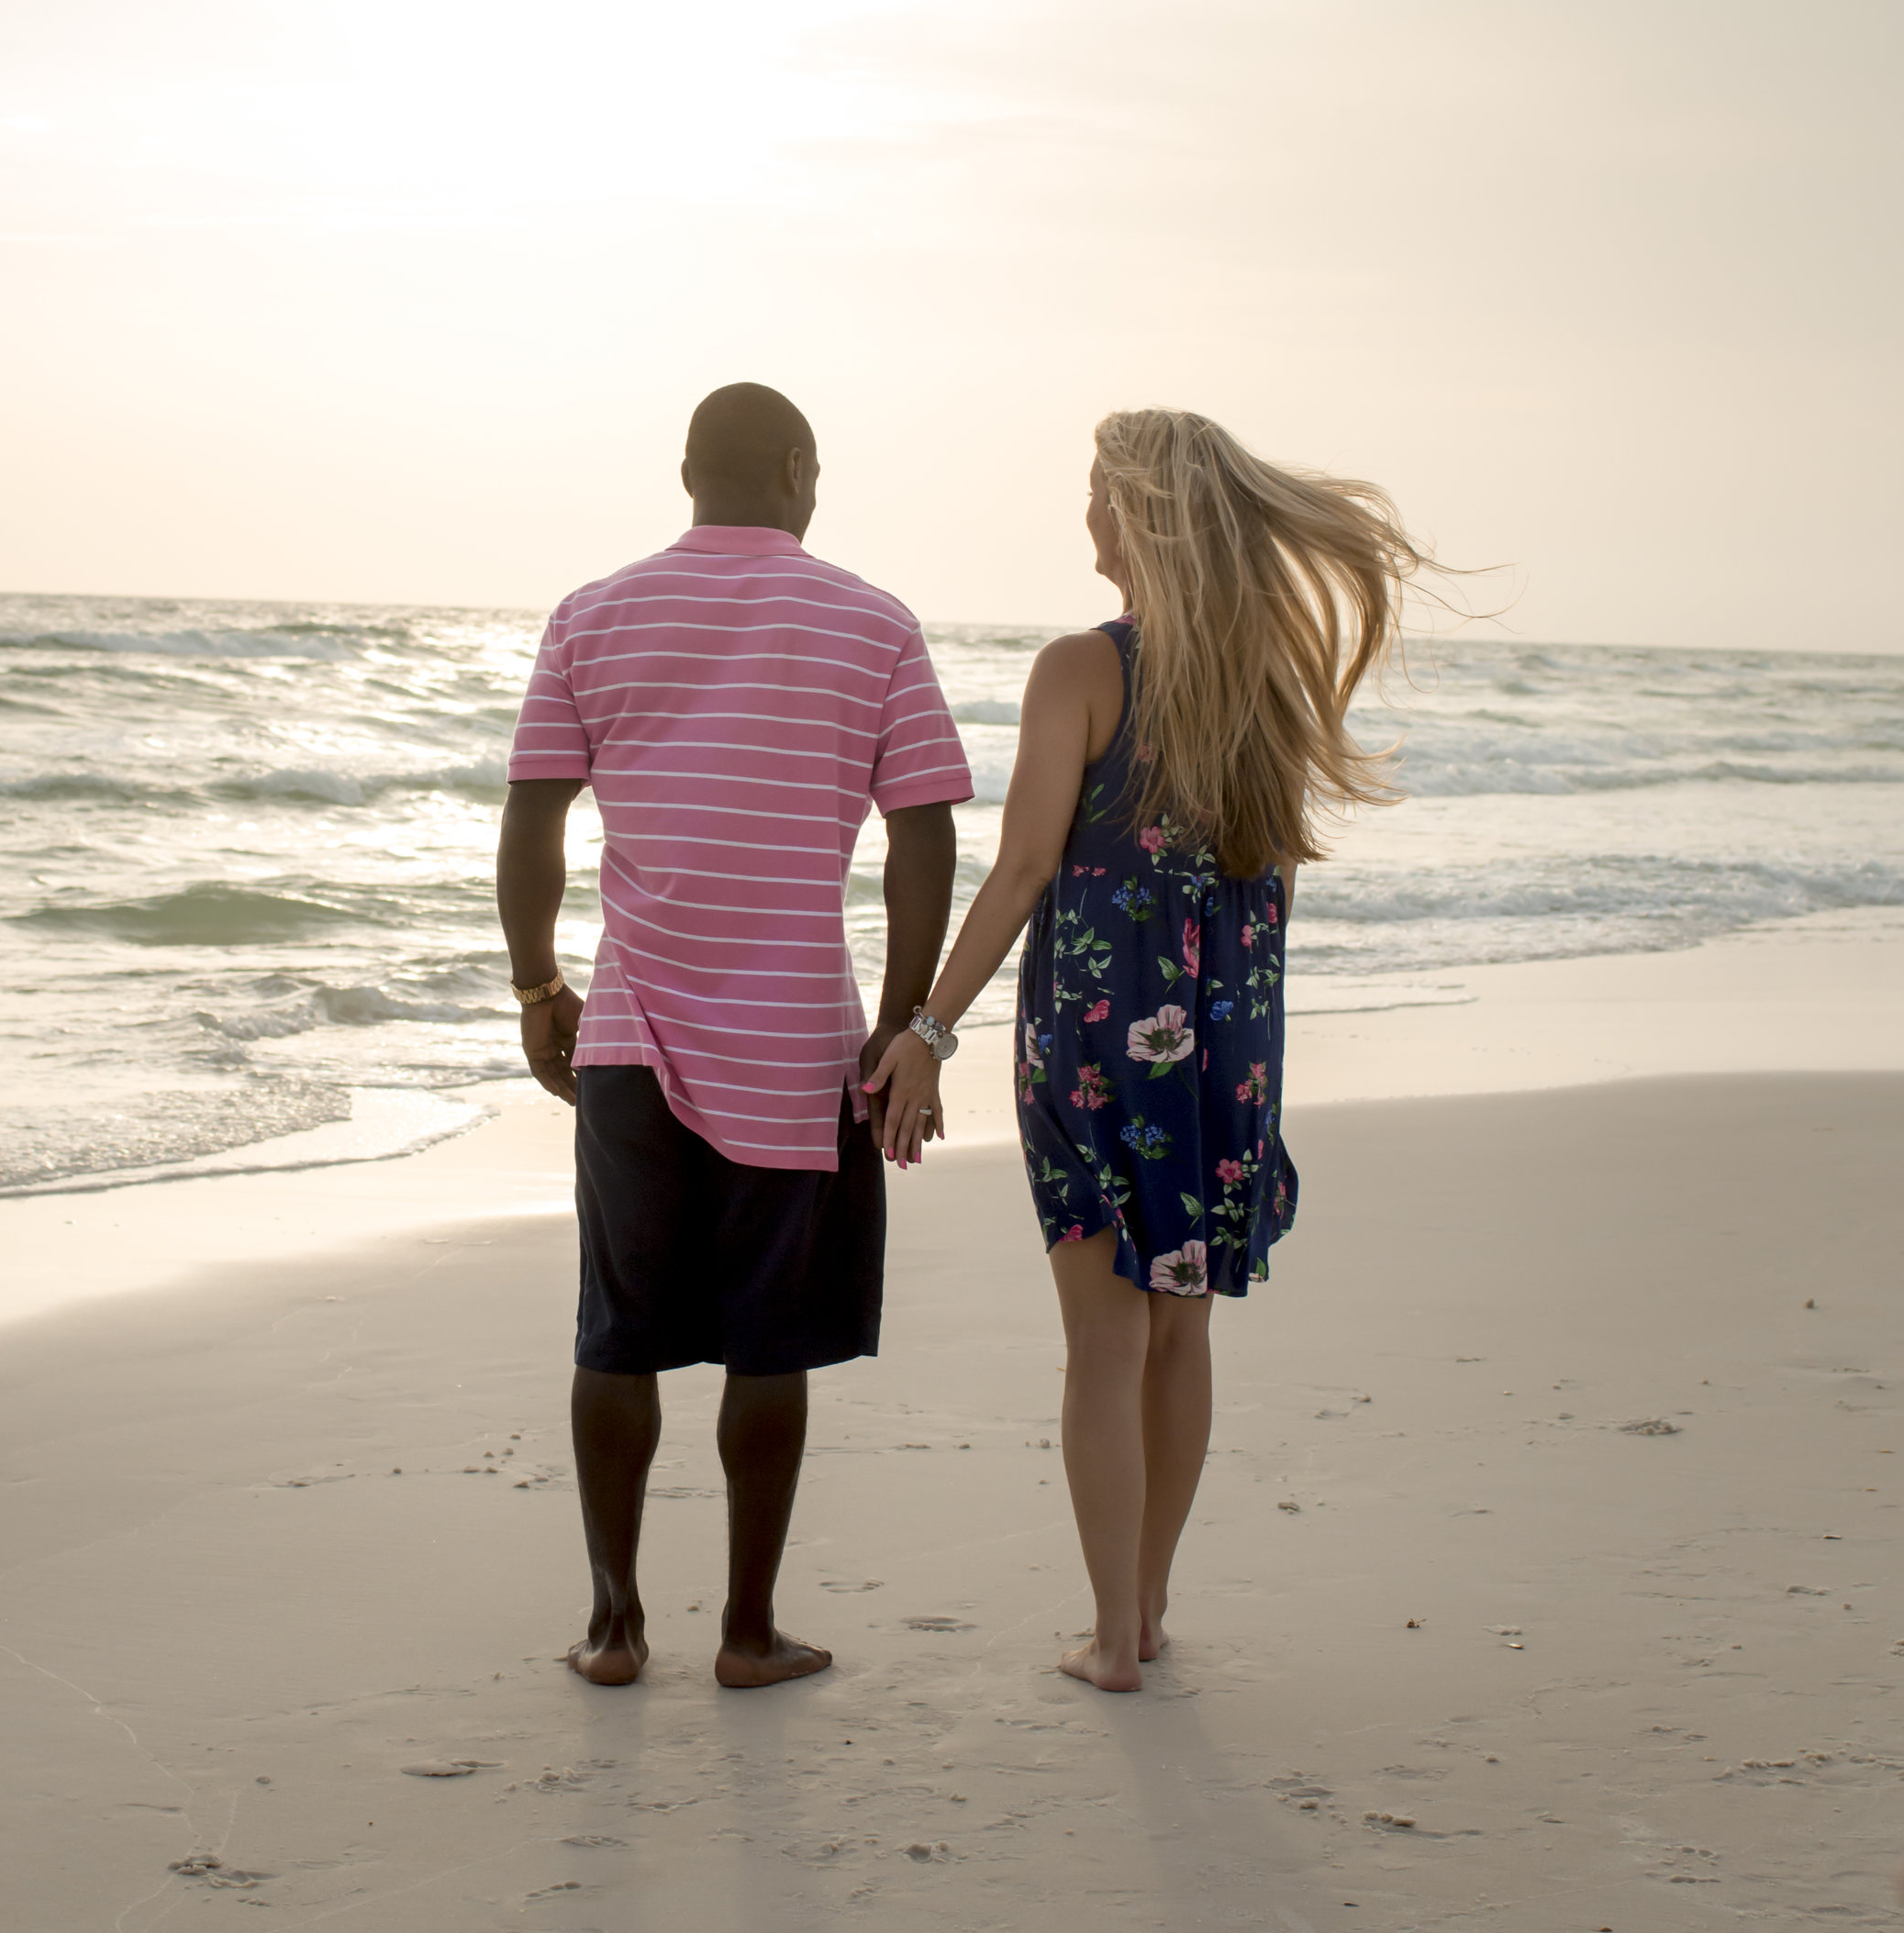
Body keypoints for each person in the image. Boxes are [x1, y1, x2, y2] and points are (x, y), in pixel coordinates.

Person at [865, 407, 1428, 1690]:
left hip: (1098, 1045)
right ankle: (1151, 1611)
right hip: (1228, 1050)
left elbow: (1020, 872)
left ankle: (1112, 1637)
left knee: (1102, 1349)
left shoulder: (1081, 669)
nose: (1086, 520)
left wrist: (927, 1031)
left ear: (1141, 518)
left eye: (1098, 497)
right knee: (1181, 1336)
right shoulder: (1265, 686)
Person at [495, 383, 971, 1690]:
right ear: (798, 472)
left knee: (617, 1332)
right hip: (792, 1044)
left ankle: (613, 1625)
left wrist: (539, 987)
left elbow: (535, 817)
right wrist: (903, 1020)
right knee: (769, 1344)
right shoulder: (871, 621)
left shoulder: (591, 614)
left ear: (689, 472)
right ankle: (749, 1633)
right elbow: (922, 830)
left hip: (632, 1038)